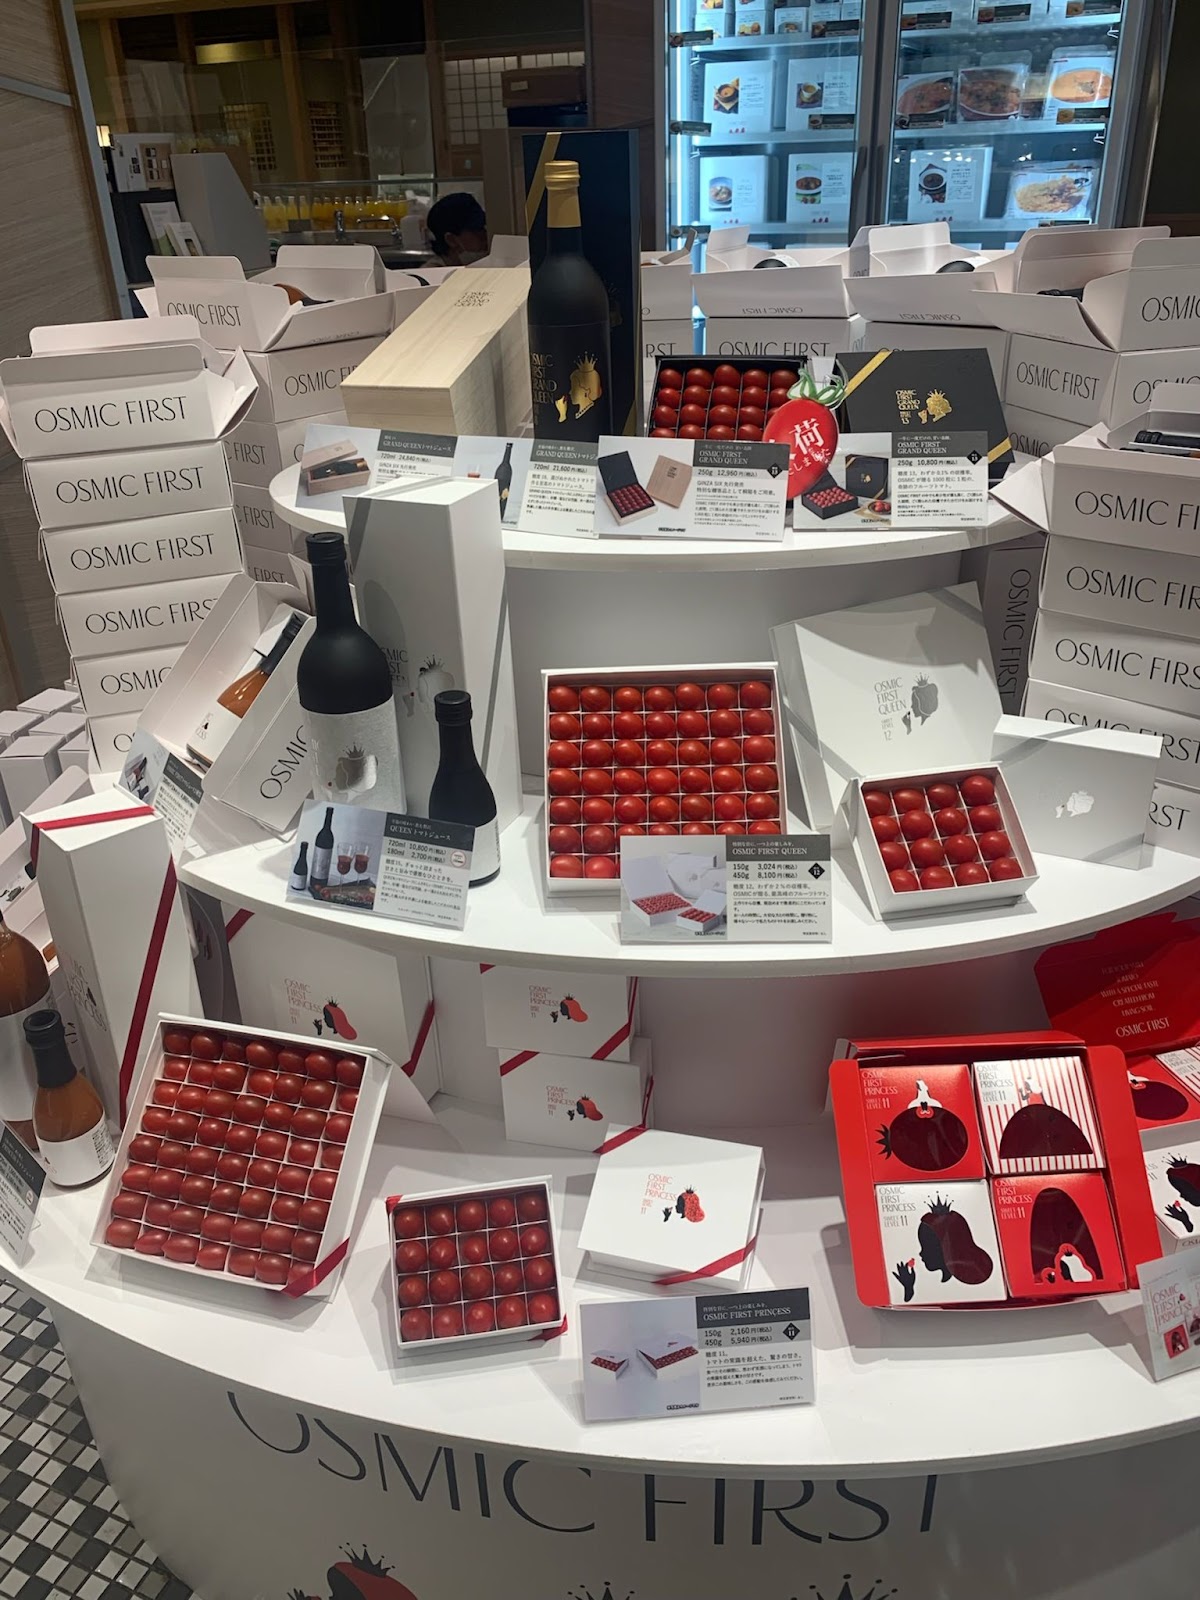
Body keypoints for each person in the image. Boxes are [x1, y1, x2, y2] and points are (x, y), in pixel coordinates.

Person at [426, 193, 489, 265]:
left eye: (484, 227)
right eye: (477, 229)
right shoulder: (432, 270)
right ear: (451, 240)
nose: (485, 234)